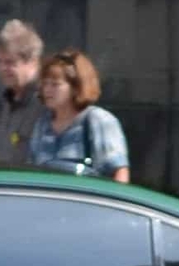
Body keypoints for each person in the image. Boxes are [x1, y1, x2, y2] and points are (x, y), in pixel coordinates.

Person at [28, 48, 130, 179]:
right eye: (45, 84)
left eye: (55, 84)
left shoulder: (98, 120)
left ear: (76, 87)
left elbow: (119, 173)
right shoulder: (42, 125)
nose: (47, 90)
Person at [0, 17, 44, 167]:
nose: (2, 69)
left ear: (32, 62)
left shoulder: (45, 102)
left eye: (10, 62)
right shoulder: (9, 100)